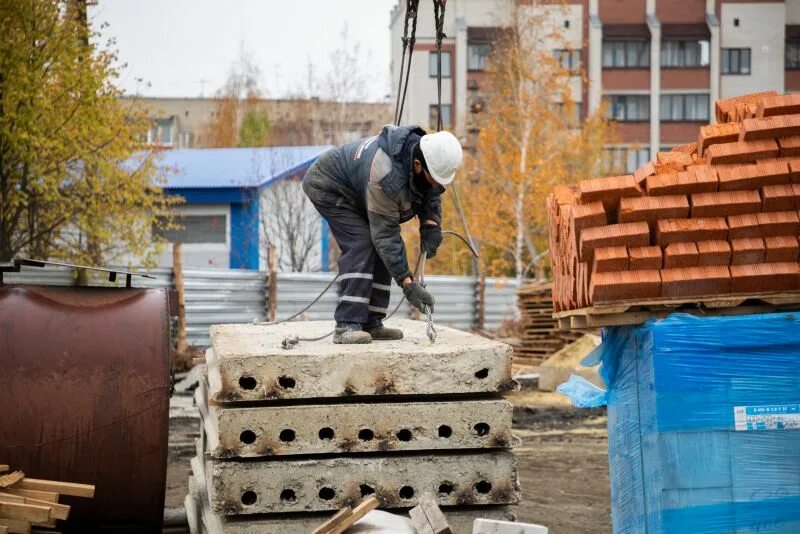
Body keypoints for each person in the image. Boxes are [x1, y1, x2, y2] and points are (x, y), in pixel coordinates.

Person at [302, 126, 464, 344]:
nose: (436, 185)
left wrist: (431, 224)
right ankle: (347, 324)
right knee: (363, 243)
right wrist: (408, 284)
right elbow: (386, 236)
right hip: (329, 186)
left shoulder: (426, 155)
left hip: (360, 189)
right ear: (417, 165)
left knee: (378, 247)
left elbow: (431, 191)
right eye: (434, 179)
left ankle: (372, 323)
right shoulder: (385, 175)